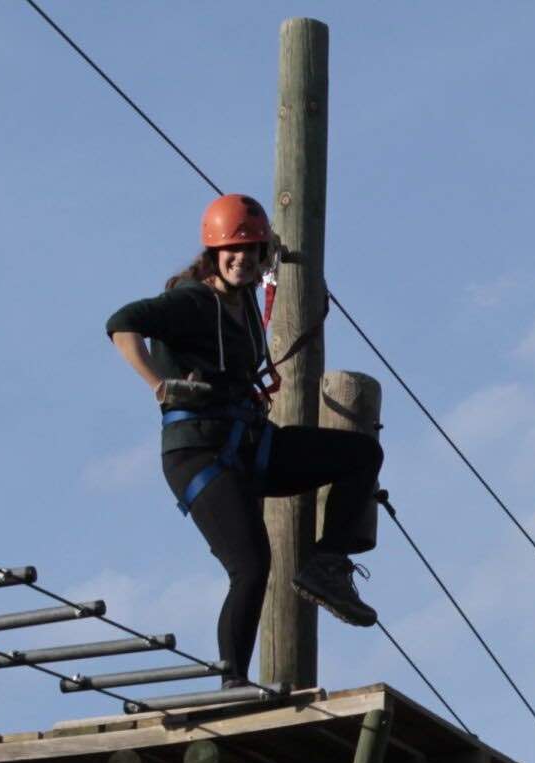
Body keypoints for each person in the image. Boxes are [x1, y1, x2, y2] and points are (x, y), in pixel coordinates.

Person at [105, 193, 384, 687]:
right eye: (232, 251)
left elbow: (266, 252)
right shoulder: (192, 301)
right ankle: (233, 680)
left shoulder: (244, 298)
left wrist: (270, 245)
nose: (243, 259)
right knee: (252, 566)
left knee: (360, 454)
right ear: (212, 254)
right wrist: (157, 384)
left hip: (252, 444)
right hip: (200, 455)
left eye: (253, 251)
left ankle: (326, 565)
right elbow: (122, 323)